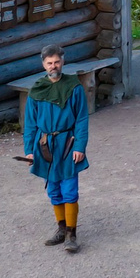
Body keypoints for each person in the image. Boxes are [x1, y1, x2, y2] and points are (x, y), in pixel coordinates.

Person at [22, 46, 90, 252]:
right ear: (43, 64)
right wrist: (29, 149)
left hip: (67, 144)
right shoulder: (37, 89)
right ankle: (61, 229)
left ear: (63, 62)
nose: (54, 66)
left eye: (57, 62)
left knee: (69, 189)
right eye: (49, 63)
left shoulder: (74, 87)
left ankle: (71, 234)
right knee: (53, 190)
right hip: (45, 147)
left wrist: (79, 146)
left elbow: (82, 119)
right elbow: (30, 123)